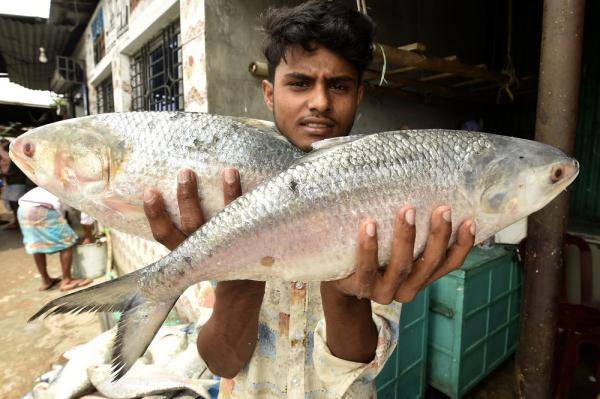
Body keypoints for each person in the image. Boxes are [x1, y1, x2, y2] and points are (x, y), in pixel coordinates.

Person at [142, 1, 475, 397]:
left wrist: (345, 286)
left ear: (359, 95)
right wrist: (239, 263)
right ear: (269, 93)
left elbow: (355, 368)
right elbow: (223, 362)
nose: (319, 101)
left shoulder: (385, 196)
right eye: (299, 83)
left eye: (338, 85)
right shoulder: (228, 192)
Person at [17, 187, 93, 291]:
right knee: (67, 241)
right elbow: (86, 216)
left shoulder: (59, 182)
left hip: (23, 209)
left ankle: (46, 280)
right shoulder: (82, 192)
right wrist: (88, 237)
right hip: (43, 208)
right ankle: (67, 281)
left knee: (37, 243)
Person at [1, 138, 29, 230]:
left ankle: (18, 223)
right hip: (15, 183)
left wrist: (4, 174)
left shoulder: (13, 157)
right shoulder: (14, 156)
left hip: (17, 183)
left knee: (15, 204)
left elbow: (14, 172)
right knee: (14, 204)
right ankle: (18, 222)